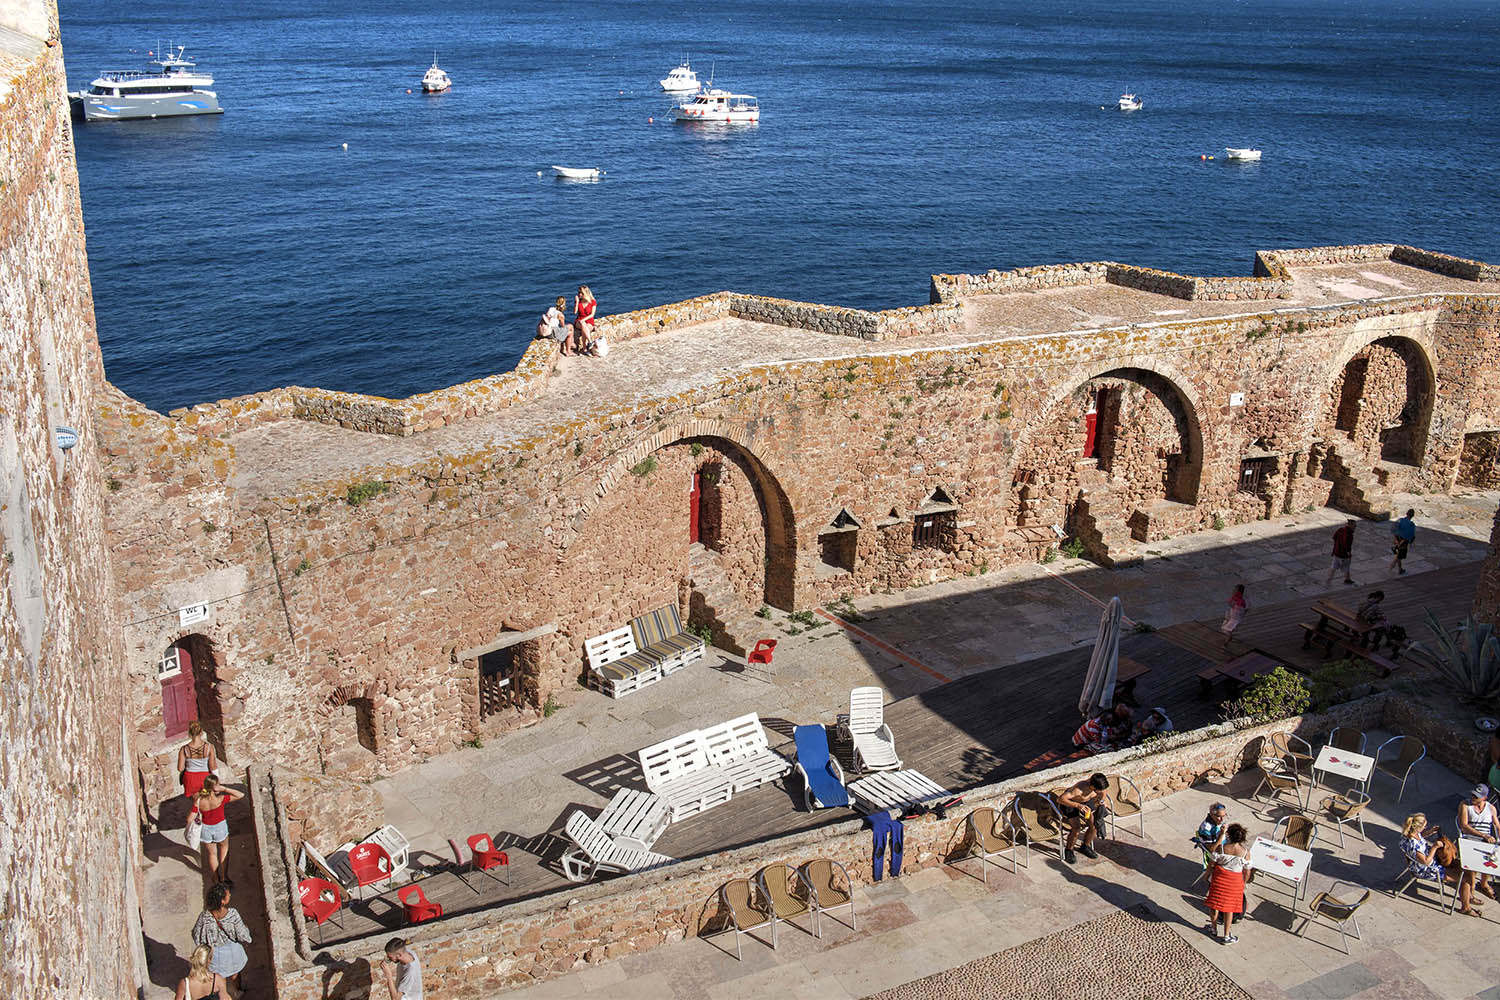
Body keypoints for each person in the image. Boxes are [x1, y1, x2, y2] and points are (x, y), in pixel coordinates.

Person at [1399, 813, 1481, 916]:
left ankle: (1467, 895)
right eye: (1425, 826)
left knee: (1466, 868)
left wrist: (1430, 832)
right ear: (1418, 828)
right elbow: (1426, 862)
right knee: (1465, 878)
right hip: (1427, 870)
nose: (1425, 827)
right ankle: (1466, 907)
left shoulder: (1408, 834)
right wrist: (1434, 847)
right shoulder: (1414, 845)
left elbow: (1420, 837)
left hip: (1428, 862)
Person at [192, 883, 253, 988]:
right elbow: (243, 936)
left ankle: (223, 993)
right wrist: (246, 930)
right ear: (222, 901)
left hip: (215, 955)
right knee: (235, 973)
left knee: (219, 977)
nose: (230, 895)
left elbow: (196, 935)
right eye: (228, 894)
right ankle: (238, 991)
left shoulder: (204, 916)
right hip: (233, 952)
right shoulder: (233, 914)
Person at [189, 775, 244, 880]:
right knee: (224, 849)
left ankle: (216, 877)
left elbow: (189, 819)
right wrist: (225, 789)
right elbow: (240, 795)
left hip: (206, 829)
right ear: (215, 786)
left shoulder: (199, 801)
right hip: (220, 828)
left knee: (212, 854)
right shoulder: (220, 799)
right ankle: (224, 877)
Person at [1205, 823, 1250, 943]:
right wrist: (1243, 883)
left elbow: (1211, 864)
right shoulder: (1245, 853)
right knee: (1229, 908)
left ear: (1228, 835)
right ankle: (1226, 935)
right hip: (1235, 882)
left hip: (1219, 879)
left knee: (1214, 904)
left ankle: (1213, 928)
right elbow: (1247, 872)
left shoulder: (1221, 848)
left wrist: (1206, 875)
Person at [1055, 772, 1111, 864]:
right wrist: (1078, 805)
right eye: (1098, 790)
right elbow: (1060, 799)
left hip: (1086, 802)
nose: (1100, 791)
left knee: (1094, 825)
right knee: (1076, 828)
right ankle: (1069, 850)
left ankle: (1085, 846)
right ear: (1092, 786)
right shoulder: (1078, 790)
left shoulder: (1099, 787)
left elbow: (1104, 792)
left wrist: (1102, 801)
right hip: (1071, 803)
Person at [1457, 786, 1498, 901]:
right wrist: (1483, 835)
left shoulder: (1491, 808)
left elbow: (1497, 825)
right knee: (1474, 863)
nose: (1473, 797)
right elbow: (1464, 826)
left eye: (1476, 796)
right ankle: (1471, 887)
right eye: (1473, 795)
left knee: (1491, 860)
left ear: (1484, 797)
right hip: (1470, 838)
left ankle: (1484, 883)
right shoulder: (1465, 805)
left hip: (1486, 840)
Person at [177, 721, 217, 802]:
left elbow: (180, 768)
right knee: (207, 802)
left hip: (190, 779)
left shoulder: (184, 749)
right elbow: (213, 767)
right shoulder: (209, 747)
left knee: (196, 802)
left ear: (189, 733)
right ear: (201, 732)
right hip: (205, 778)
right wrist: (217, 781)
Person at [566, 285, 597, 357]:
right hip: (579, 321)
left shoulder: (592, 301)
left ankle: (585, 349)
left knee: (584, 328)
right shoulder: (579, 301)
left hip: (589, 321)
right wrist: (576, 302)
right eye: (579, 292)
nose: (579, 294)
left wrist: (584, 320)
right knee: (583, 324)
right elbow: (575, 312)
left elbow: (592, 314)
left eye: (581, 293)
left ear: (585, 293)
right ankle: (590, 342)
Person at [1325, 518, 1357, 585]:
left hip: (1336, 552)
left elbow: (1334, 537)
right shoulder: (1349, 535)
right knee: (1346, 567)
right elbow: (1347, 546)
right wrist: (1349, 554)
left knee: (1333, 567)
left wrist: (1337, 545)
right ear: (1350, 525)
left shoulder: (1340, 530)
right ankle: (1347, 580)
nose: (1355, 527)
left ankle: (1328, 580)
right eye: (1354, 526)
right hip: (1343, 555)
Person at [1220, 584, 1248, 649]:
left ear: (1238, 591)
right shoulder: (1239, 598)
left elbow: (1231, 603)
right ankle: (1228, 639)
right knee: (1227, 629)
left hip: (1235, 618)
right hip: (1234, 616)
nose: (1233, 590)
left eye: (1235, 589)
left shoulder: (1238, 598)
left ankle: (1225, 644)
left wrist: (1233, 605)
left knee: (1226, 630)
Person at [1389, 508, 1416, 575]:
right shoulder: (1411, 525)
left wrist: (1396, 540)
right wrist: (1400, 543)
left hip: (1396, 540)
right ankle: (1392, 566)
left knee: (1398, 556)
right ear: (1412, 516)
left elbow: (1394, 530)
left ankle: (1400, 569)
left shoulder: (1400, 520)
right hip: (1403, 544)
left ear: (1406, 514)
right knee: (1399, 556)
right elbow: (1408, 536)